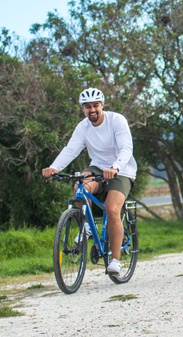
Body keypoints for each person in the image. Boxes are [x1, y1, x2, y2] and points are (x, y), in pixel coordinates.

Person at [42, 88, 137, 276]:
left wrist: (116, 167)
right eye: (87, 107)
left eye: (95, 106)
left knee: (111, 209)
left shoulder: (117, 120)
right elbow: (70, 150)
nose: (92, 110)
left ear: (102, 105)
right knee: (80, 188)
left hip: (122, 170)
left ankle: (115, 261)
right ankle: (86, 226)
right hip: (98, 167)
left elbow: (126, 148)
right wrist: (54, 168)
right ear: (82, 109)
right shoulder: (83, 127)